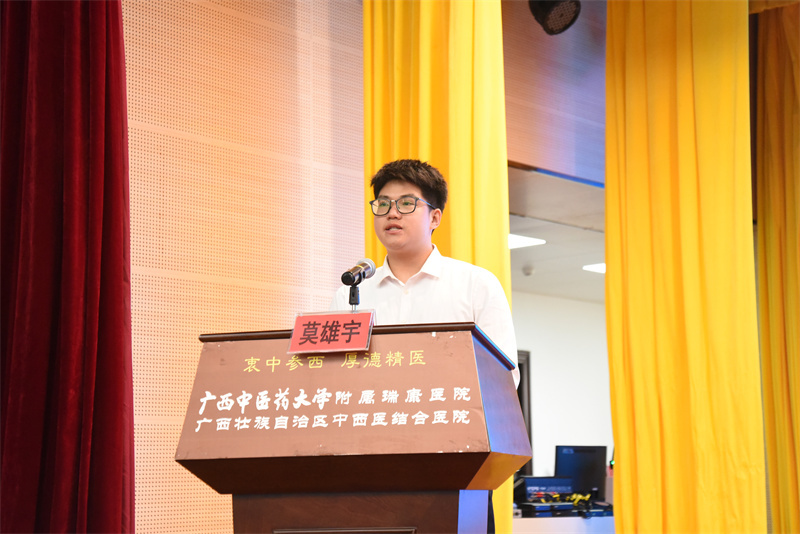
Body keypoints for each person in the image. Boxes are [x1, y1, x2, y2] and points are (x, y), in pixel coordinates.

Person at [331, 158, 519, 387]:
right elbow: (332, 375)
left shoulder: (476, 285)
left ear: (434, 218)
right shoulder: (350, 294)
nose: (392, 213)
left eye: (406, 203)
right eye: (383, 204)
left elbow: (503, 377)